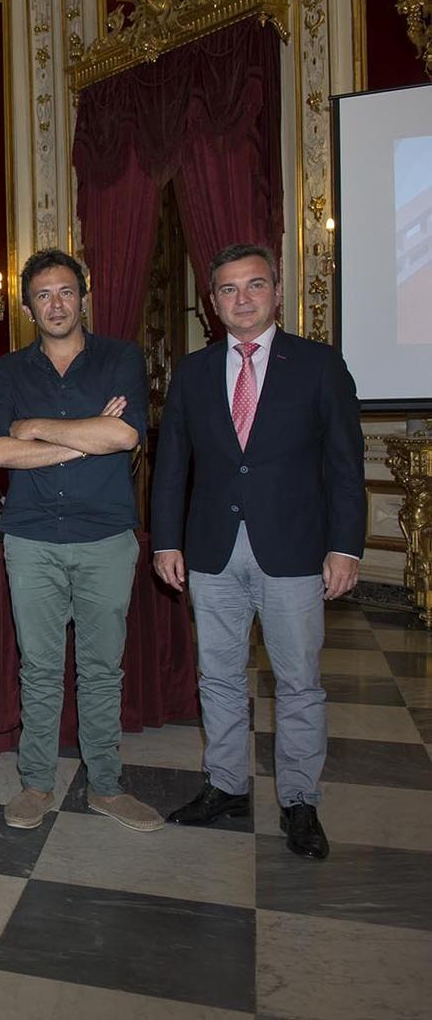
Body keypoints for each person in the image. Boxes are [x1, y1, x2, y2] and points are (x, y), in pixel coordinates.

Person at [152, 243, 364, 860]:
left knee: (298, 683)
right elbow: (172, 466)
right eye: (228, 289)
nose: (242, 299)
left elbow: (345, 465)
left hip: (294, 550)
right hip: (211, 553)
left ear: (276, 291)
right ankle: (226, 787)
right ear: (213, 302)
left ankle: (299, 801)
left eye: (254, 286)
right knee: (217, 677)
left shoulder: (320, 365)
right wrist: (166, 540)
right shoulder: (193, 372)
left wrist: (345, 547)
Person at [0, 249, 163, 833]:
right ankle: (36, 783)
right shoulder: (10, 370)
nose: (55, 304)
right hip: (32, 538)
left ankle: (106, 786)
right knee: (38, 668)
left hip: (105, 536)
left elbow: (126, 435)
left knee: (102, 668)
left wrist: (35, 428)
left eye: (65, 292)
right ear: (28, 307)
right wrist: (88, 436)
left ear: (84, 297)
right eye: (43, 295)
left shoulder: (120, 357)